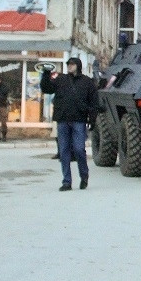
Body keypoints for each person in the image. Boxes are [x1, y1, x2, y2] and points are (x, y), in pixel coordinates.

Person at [41, 58, 98, 191]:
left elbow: (94, 102)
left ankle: (84, 176)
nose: (69, 66)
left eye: (71, 64)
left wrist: (93, 119)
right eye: (67, 64)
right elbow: (47, 89)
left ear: (78, 66)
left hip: (79, 119)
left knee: (79, 149)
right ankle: (67, 181)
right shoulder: (61, 79)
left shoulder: (87, 82)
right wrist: (45, 75)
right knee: (64, 151)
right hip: (63, 119)